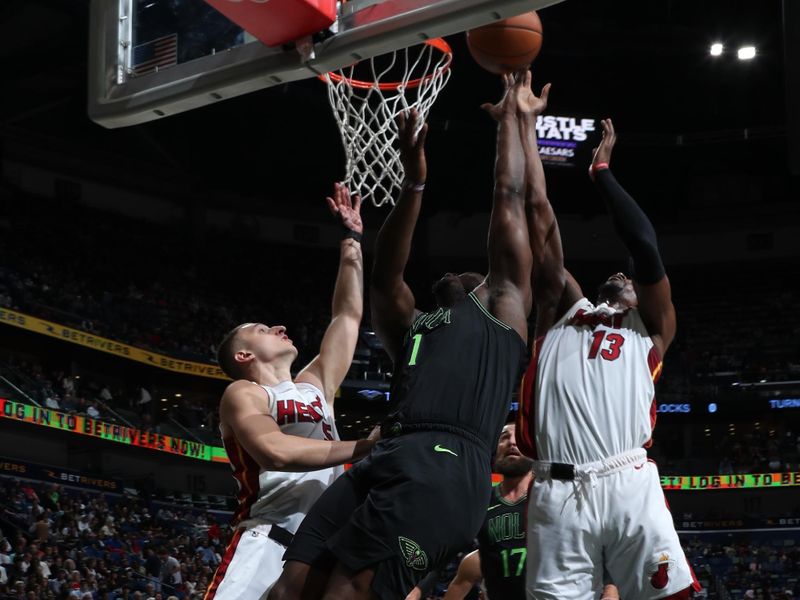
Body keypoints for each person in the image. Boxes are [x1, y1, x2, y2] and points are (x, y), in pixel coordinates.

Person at [271, 78, 534, 600]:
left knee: (345, 594)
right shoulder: (412, 325)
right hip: (388, 455)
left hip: (450, 465)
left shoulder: (505, 308)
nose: (457, 272)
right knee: (290, 589)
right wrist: (414, 182)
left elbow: (509, 199)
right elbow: (385, 277)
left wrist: (511, 121)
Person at [513, 72, 701, 599]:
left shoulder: (652, 329)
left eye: (631, 280)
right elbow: (538, 220)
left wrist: (602, 173)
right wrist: (524, 129)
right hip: (555, 489)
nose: (623, 275)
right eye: (617, 275)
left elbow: (643, 245)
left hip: (626, 481)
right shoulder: (563, 313)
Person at [205, 184, 376, 600]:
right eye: (263, 330)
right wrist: (363, 447)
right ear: (244, 354)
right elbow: (276, 452)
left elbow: (348, 315)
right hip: (268, 541)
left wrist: (351, 240)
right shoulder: (244, 393)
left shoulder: (314, 384)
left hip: (320, 556)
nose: (279, 328)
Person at [408, 423, 534, 600]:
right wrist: (418, 589)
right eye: (504, 437)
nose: (512, 442)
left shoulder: (548, 497)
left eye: (519, 438)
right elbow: (446, 553)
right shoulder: (479, 501)